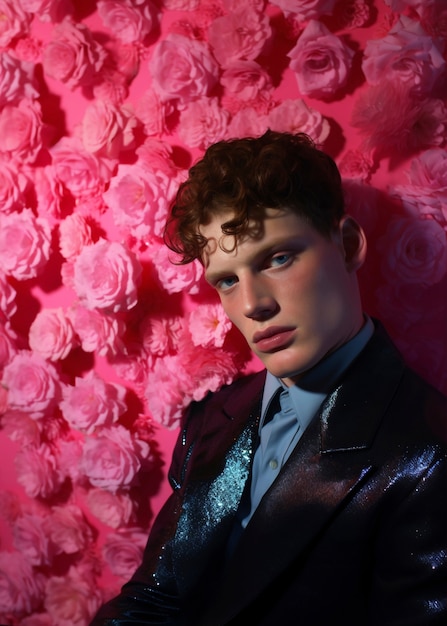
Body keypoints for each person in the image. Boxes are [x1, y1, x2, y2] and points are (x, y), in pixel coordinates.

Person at [91, 131, 447, 626]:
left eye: (278, 258)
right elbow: (156, 598)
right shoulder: (213, 416)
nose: (253, 304)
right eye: (228, 280)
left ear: (346, 246)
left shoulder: (429, 455)